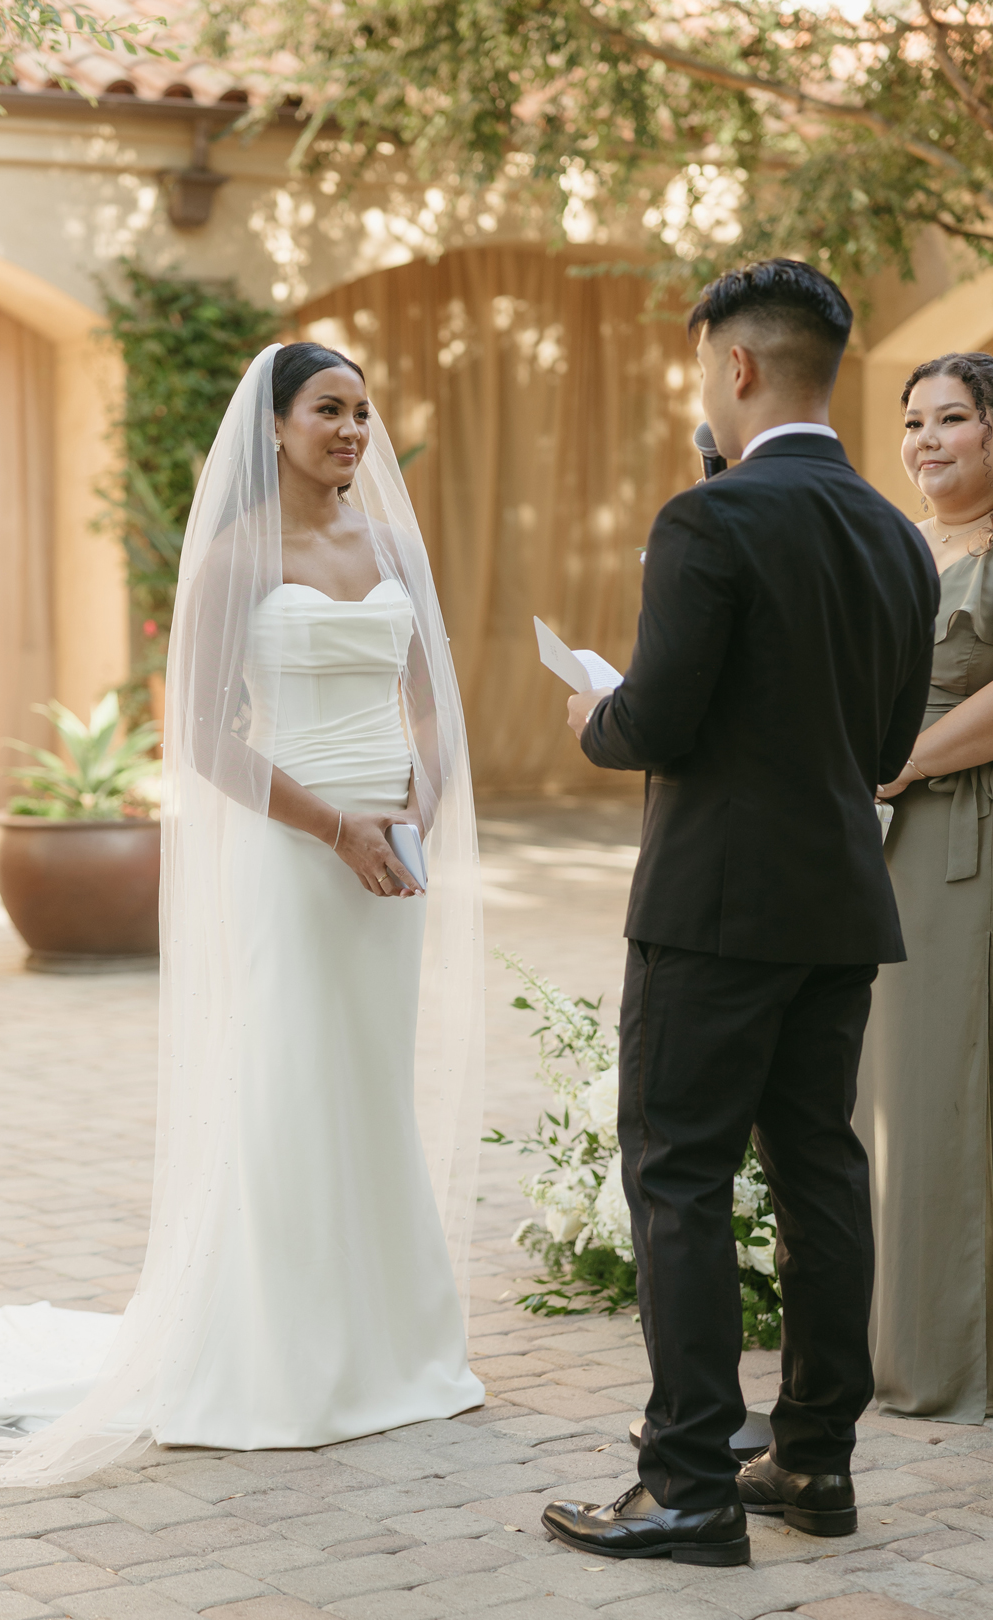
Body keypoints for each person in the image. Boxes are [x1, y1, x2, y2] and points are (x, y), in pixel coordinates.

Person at [0, 342, 485, 1482]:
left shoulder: (390, 545)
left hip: (395, 854)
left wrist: (415, 805)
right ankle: (281, 1354)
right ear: (274, 427)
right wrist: (337, 828)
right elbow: (208, 738)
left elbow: (431, 707)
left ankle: (392, 1349)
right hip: (296, 851)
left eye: (364, 414)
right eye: (330, 410)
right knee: (287, 1084)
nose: (352, 433)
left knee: (369, 1084)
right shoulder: (235, 557)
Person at [541, 260, 939, 1565]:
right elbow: (887, 740)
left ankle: (689, 1487)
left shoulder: (709, 518)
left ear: (740, 367)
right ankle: (814, 1464)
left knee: (679, 1176)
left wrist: (594, 712)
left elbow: (654, 719)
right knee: (820, 1168)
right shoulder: (895, 534)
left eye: (698, 366)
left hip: (715, 908)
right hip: (839, 899)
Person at [855, 352, 993, 1424]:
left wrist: (903, 762)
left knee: (945, 1093)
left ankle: (941, 1360)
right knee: (874, 1098)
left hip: (963, 843)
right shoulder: (898, 547)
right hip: (873, 845)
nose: (926, 440)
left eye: (951, 418)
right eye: (913, 421)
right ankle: (868, 1340)